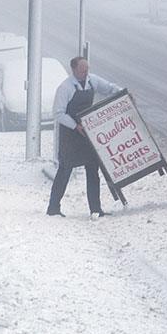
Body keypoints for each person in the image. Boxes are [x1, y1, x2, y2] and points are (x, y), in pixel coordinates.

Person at [46, 56, 120, 219]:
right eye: (82, 70)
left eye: (87, 69)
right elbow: (58, 113)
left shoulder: (92, 81)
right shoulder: (65, 88)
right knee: (65, 170)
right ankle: (53, 208)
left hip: (88, 133)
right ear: (74, 70)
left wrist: (124, 93)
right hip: (70, 135)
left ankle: (96, 208)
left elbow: (109, 88)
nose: (85, 73)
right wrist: (75, 125)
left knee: (93, 169)